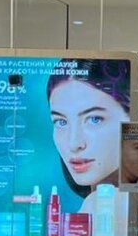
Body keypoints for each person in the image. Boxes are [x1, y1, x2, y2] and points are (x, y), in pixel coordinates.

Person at [47, 59, 130, 223]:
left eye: (94, 119)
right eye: (61, 122)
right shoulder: (101, 201)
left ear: (132, 120)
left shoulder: (103, 204)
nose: (74, 144)